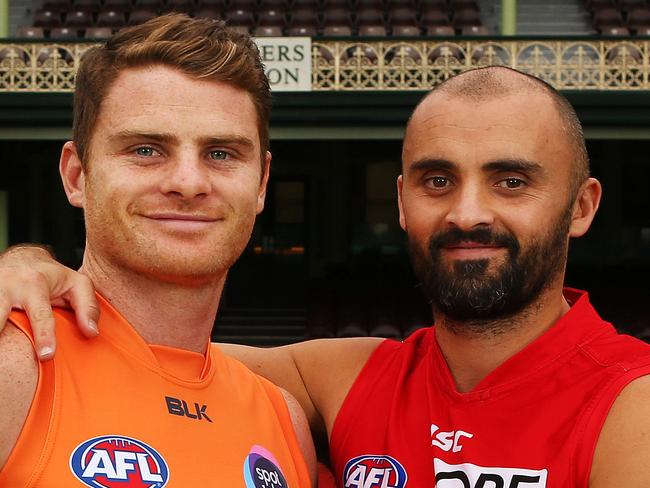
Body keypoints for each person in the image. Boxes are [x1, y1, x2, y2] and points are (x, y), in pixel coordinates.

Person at [3, 66, 650, 487]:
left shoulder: (633, 404)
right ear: (401, 202)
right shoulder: (343, 381)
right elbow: (155, 355)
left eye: (512, 182)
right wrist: (24, 264)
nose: (468, 212)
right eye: (437, 181)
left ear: (584, 206)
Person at [0, 14, 317, 487]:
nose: (188, 183)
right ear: (76, 175)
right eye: (146, 150)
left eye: (222, 153)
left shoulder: (283, 419)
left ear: (261, 184)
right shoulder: (17, 363)